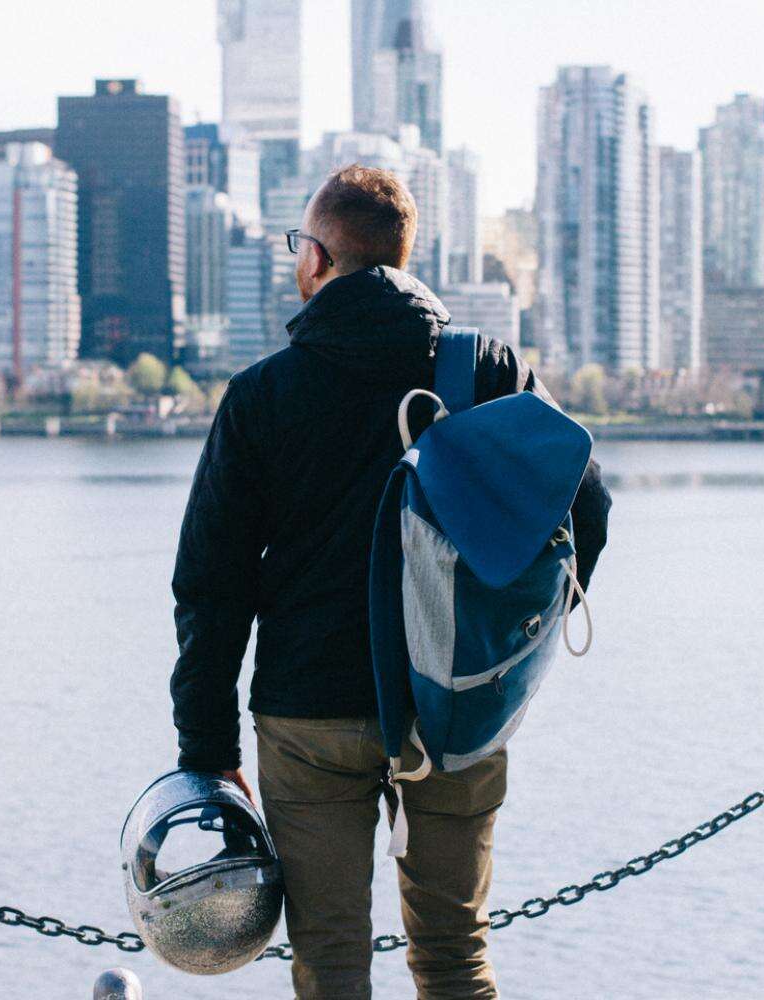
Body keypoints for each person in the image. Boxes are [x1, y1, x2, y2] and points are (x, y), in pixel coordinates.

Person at [170, 164, 611, 1000]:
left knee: (330, 963)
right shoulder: (487, 369)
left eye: (301, 245)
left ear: (320, 259)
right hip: (454, 705)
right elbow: (585, 509)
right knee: (455, 957)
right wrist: (510, 650)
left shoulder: (262, 396)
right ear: (403, 259)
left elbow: (211, 585)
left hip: (308, 717)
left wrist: (207, 747)